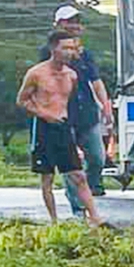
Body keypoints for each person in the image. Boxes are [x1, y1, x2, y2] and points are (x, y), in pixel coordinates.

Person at [16, 31, 109, 227]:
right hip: (44, 128)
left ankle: (95, 217)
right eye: (65, 48)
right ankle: (54, 221)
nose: (69, 52)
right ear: (53, 49)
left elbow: (71, 102)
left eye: (72, 48)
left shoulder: (72, 75)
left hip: (64, 128)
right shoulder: (36, 73)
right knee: (47, 177)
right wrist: (44, 113)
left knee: (78, 175)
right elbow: (22, 100)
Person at [39, 4, 113, 211]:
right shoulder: (48, 52)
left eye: (78, 22)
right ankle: (78, 207)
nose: (75, 26)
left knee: (98, 158)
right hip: (63, 114)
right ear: (59, 24)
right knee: (71, 165)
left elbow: (96, 80)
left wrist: (106, 106)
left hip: (87, 113)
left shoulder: (85, 54)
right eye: (70, 21)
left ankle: (84, 190)